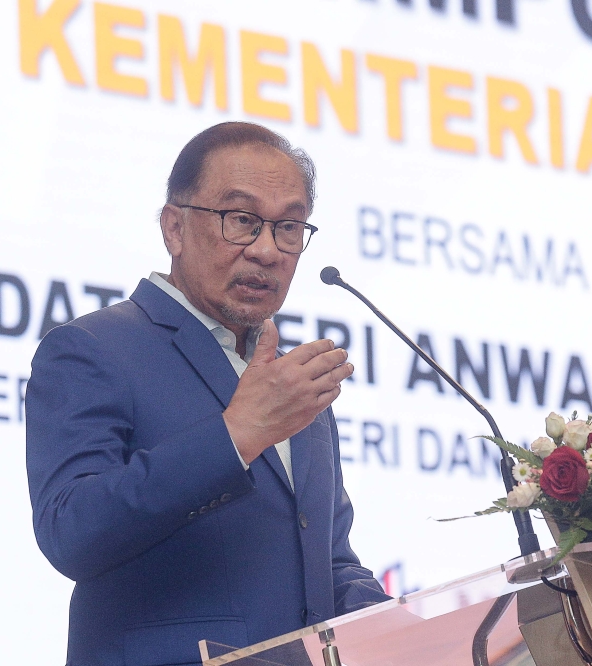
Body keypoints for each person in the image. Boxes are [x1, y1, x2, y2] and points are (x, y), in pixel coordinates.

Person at [26, 122, 391, 666]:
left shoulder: (288, 382)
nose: (267, 250)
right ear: (173, 228)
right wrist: (236, 435)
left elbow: (326, 559)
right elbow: (71, 531)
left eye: (288, 227)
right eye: (241, 220)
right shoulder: (92, 348)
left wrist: (401, 623)